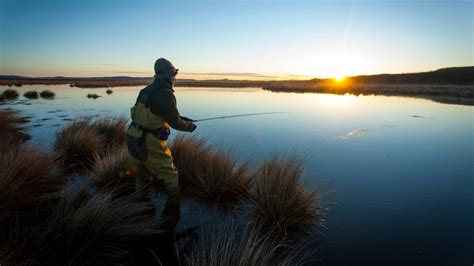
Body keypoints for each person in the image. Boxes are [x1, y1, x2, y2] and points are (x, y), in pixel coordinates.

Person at [126, 58, 196, 233]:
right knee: (171, 177)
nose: (175, 78)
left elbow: (160, 115)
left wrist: (181, 119)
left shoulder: (145, 91)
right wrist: (189, 126)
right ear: (169, 75)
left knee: (141, 177)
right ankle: (172, 216)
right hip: (150, 144)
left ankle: (141, 214)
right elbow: (175, 122)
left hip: (133, 139)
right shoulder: (166, 94)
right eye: (174, 74)